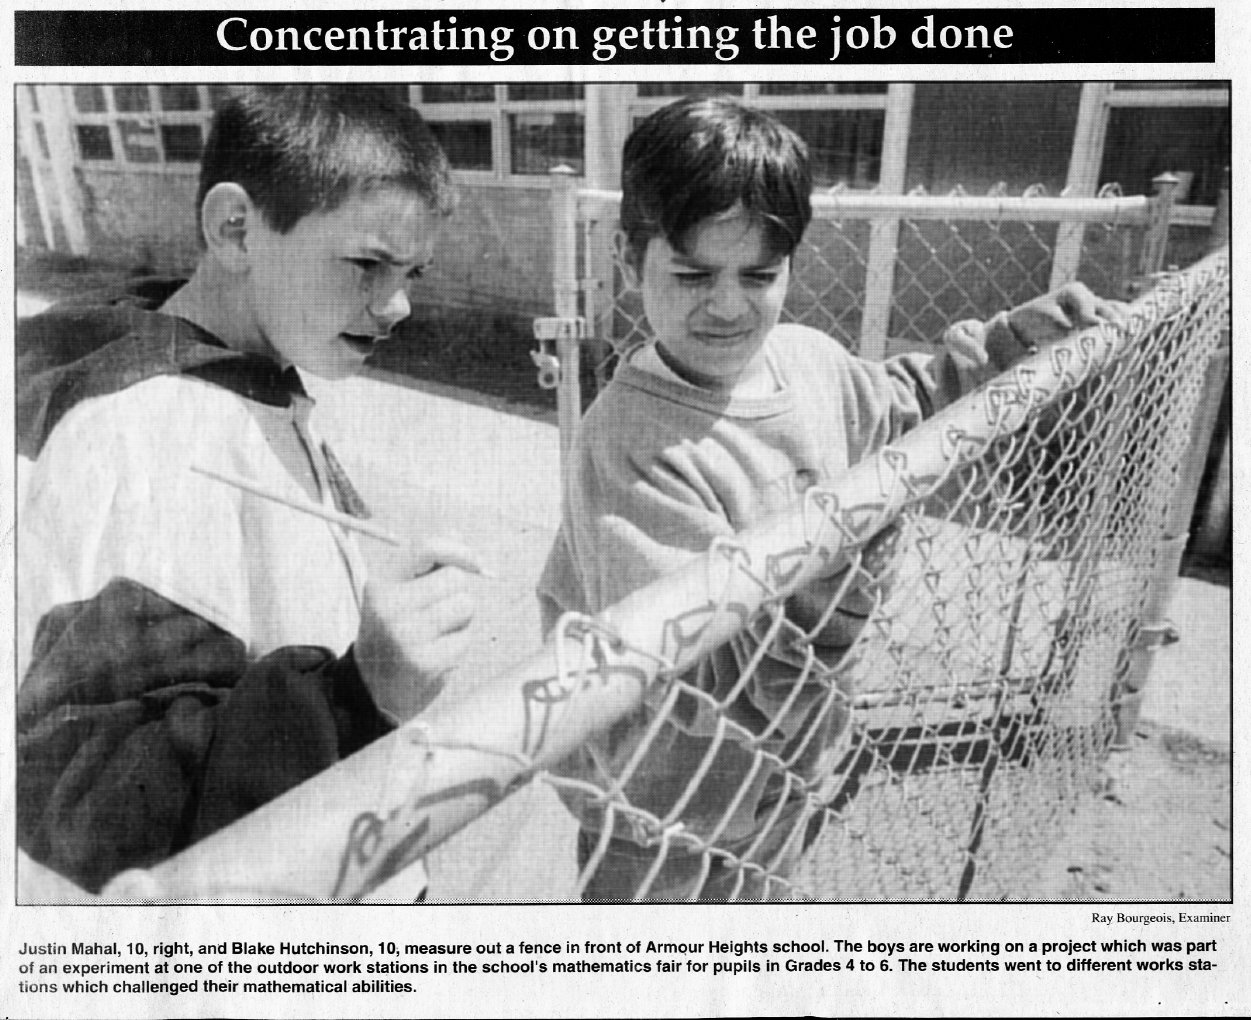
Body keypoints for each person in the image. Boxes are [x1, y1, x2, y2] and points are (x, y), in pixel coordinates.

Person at [537, 95, 1126, 901]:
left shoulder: (808, 359)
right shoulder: (628, 443)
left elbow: (902, 404)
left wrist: (1010, 347)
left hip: (786, 775)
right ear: (624, 258)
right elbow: (706, 658)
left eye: (759, 274)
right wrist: (854, 547)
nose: (728, 304)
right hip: (662, 801)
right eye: (691, 273)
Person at [16, 85, 480, 897]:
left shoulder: (243, 379)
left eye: (410, 272)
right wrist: (355, 693)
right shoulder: (157, 428)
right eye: (367, 264)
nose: (398, 304)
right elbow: (95, 796)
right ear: (236, 229)